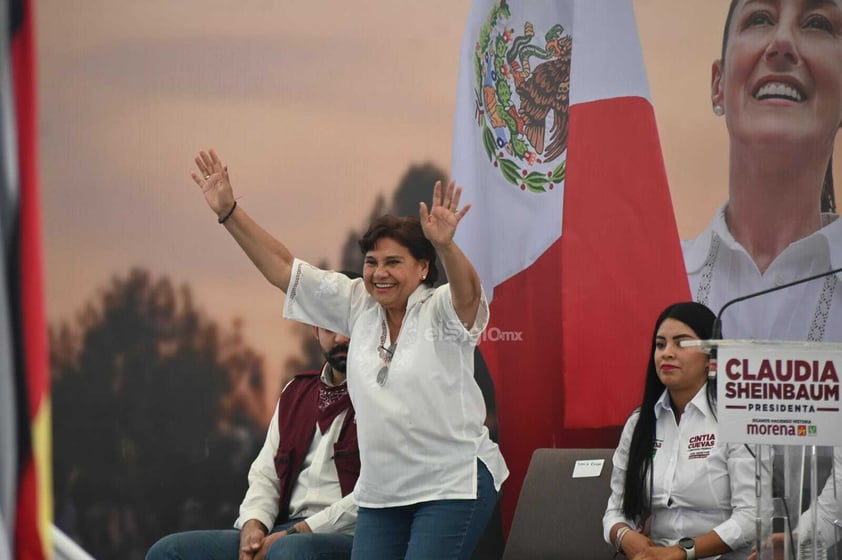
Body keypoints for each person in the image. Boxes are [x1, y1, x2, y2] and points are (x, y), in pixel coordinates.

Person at [187, 149, 508, 560]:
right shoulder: (357, 302)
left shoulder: (441, 308)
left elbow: (469, 294)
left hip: (453, 482)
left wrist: (446, 246)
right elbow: (284, 268)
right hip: (383, 492)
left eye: (394, 262)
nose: (379, 273)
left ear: (423, 268)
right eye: (372, 262)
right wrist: (229, 211)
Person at [683, 0, 842, 342]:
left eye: (817, 24)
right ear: (718, 85)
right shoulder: (649, 284)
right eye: (759, 18)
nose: (782, 43)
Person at [146, 317, 360, 560]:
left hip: (347, 535)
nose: (341, 338)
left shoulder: (385, 396)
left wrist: (298, 532)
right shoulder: (295, 392)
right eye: (331, 326)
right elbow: (265, 475)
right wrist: (253, 527)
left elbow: (374, 492)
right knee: (169, 552)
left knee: (288, 551)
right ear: (315, 329)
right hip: (284, 532)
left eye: (350, 325)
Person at [603, 302, 756, 559]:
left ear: (711, 357)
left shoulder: (736, 418)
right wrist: (624, 537)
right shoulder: (639, 423)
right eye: (660, 344)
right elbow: (615, 512)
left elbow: (751, 516)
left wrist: (682, 552)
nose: (667, 353)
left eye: (681, 343)